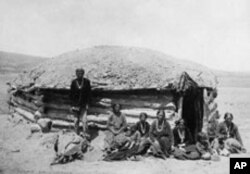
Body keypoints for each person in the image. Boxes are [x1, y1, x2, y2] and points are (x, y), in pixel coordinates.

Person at [70, 68, 91, 135]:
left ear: (83, 74)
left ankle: (86, 135)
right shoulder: (73, 82)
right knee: (76, 121)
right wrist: (71, 105)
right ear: (76, 74)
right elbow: (71, 94)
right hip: (75, 105)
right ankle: (76, 134)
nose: (80, 75)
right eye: (78, 73)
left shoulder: (86, 82)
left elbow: (89, 93)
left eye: (81, 73)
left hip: (83, 105)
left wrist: (88, 103)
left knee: (84, 121)